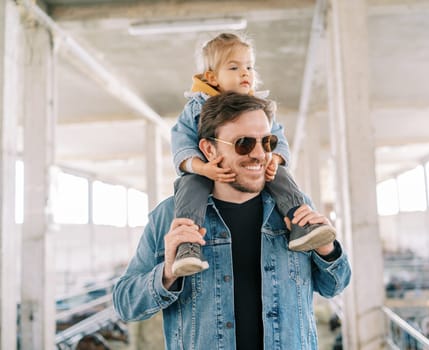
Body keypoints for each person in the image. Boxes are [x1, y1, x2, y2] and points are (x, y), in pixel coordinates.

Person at [113, 92, 351, 349]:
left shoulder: (296, 210)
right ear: (209, 149)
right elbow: (126, 305)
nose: (260, 155)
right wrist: (168, 273)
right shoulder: (170, 217)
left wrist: (327, 250)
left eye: (267, 142)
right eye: (244, 143)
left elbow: (334, 286)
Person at [170, 33, 336, 277]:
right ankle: (188, 244)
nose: (245, 73)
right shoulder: (196, 106)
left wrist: (274, 159)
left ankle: (299, 223)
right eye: (234, 67)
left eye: (249, 66)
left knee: (280, 174)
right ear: (212, 77)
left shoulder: (259, 105)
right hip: (206, 169)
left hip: (278, 191)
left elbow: (278, 138)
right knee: (190, 184)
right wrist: (202, 167)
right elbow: (181, 141)